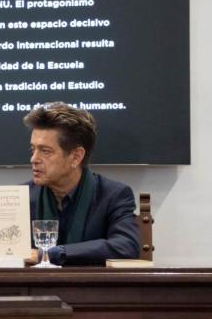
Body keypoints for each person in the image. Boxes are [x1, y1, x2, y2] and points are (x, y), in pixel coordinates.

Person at [24, 102, 140, 266]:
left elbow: (127, 246)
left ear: (76, 157)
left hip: (92, 290)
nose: (34, 159)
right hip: (34, 289)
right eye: (33, 149)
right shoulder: (21, 197)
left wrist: (53, 254)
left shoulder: (113, 195)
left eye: (45, 151)